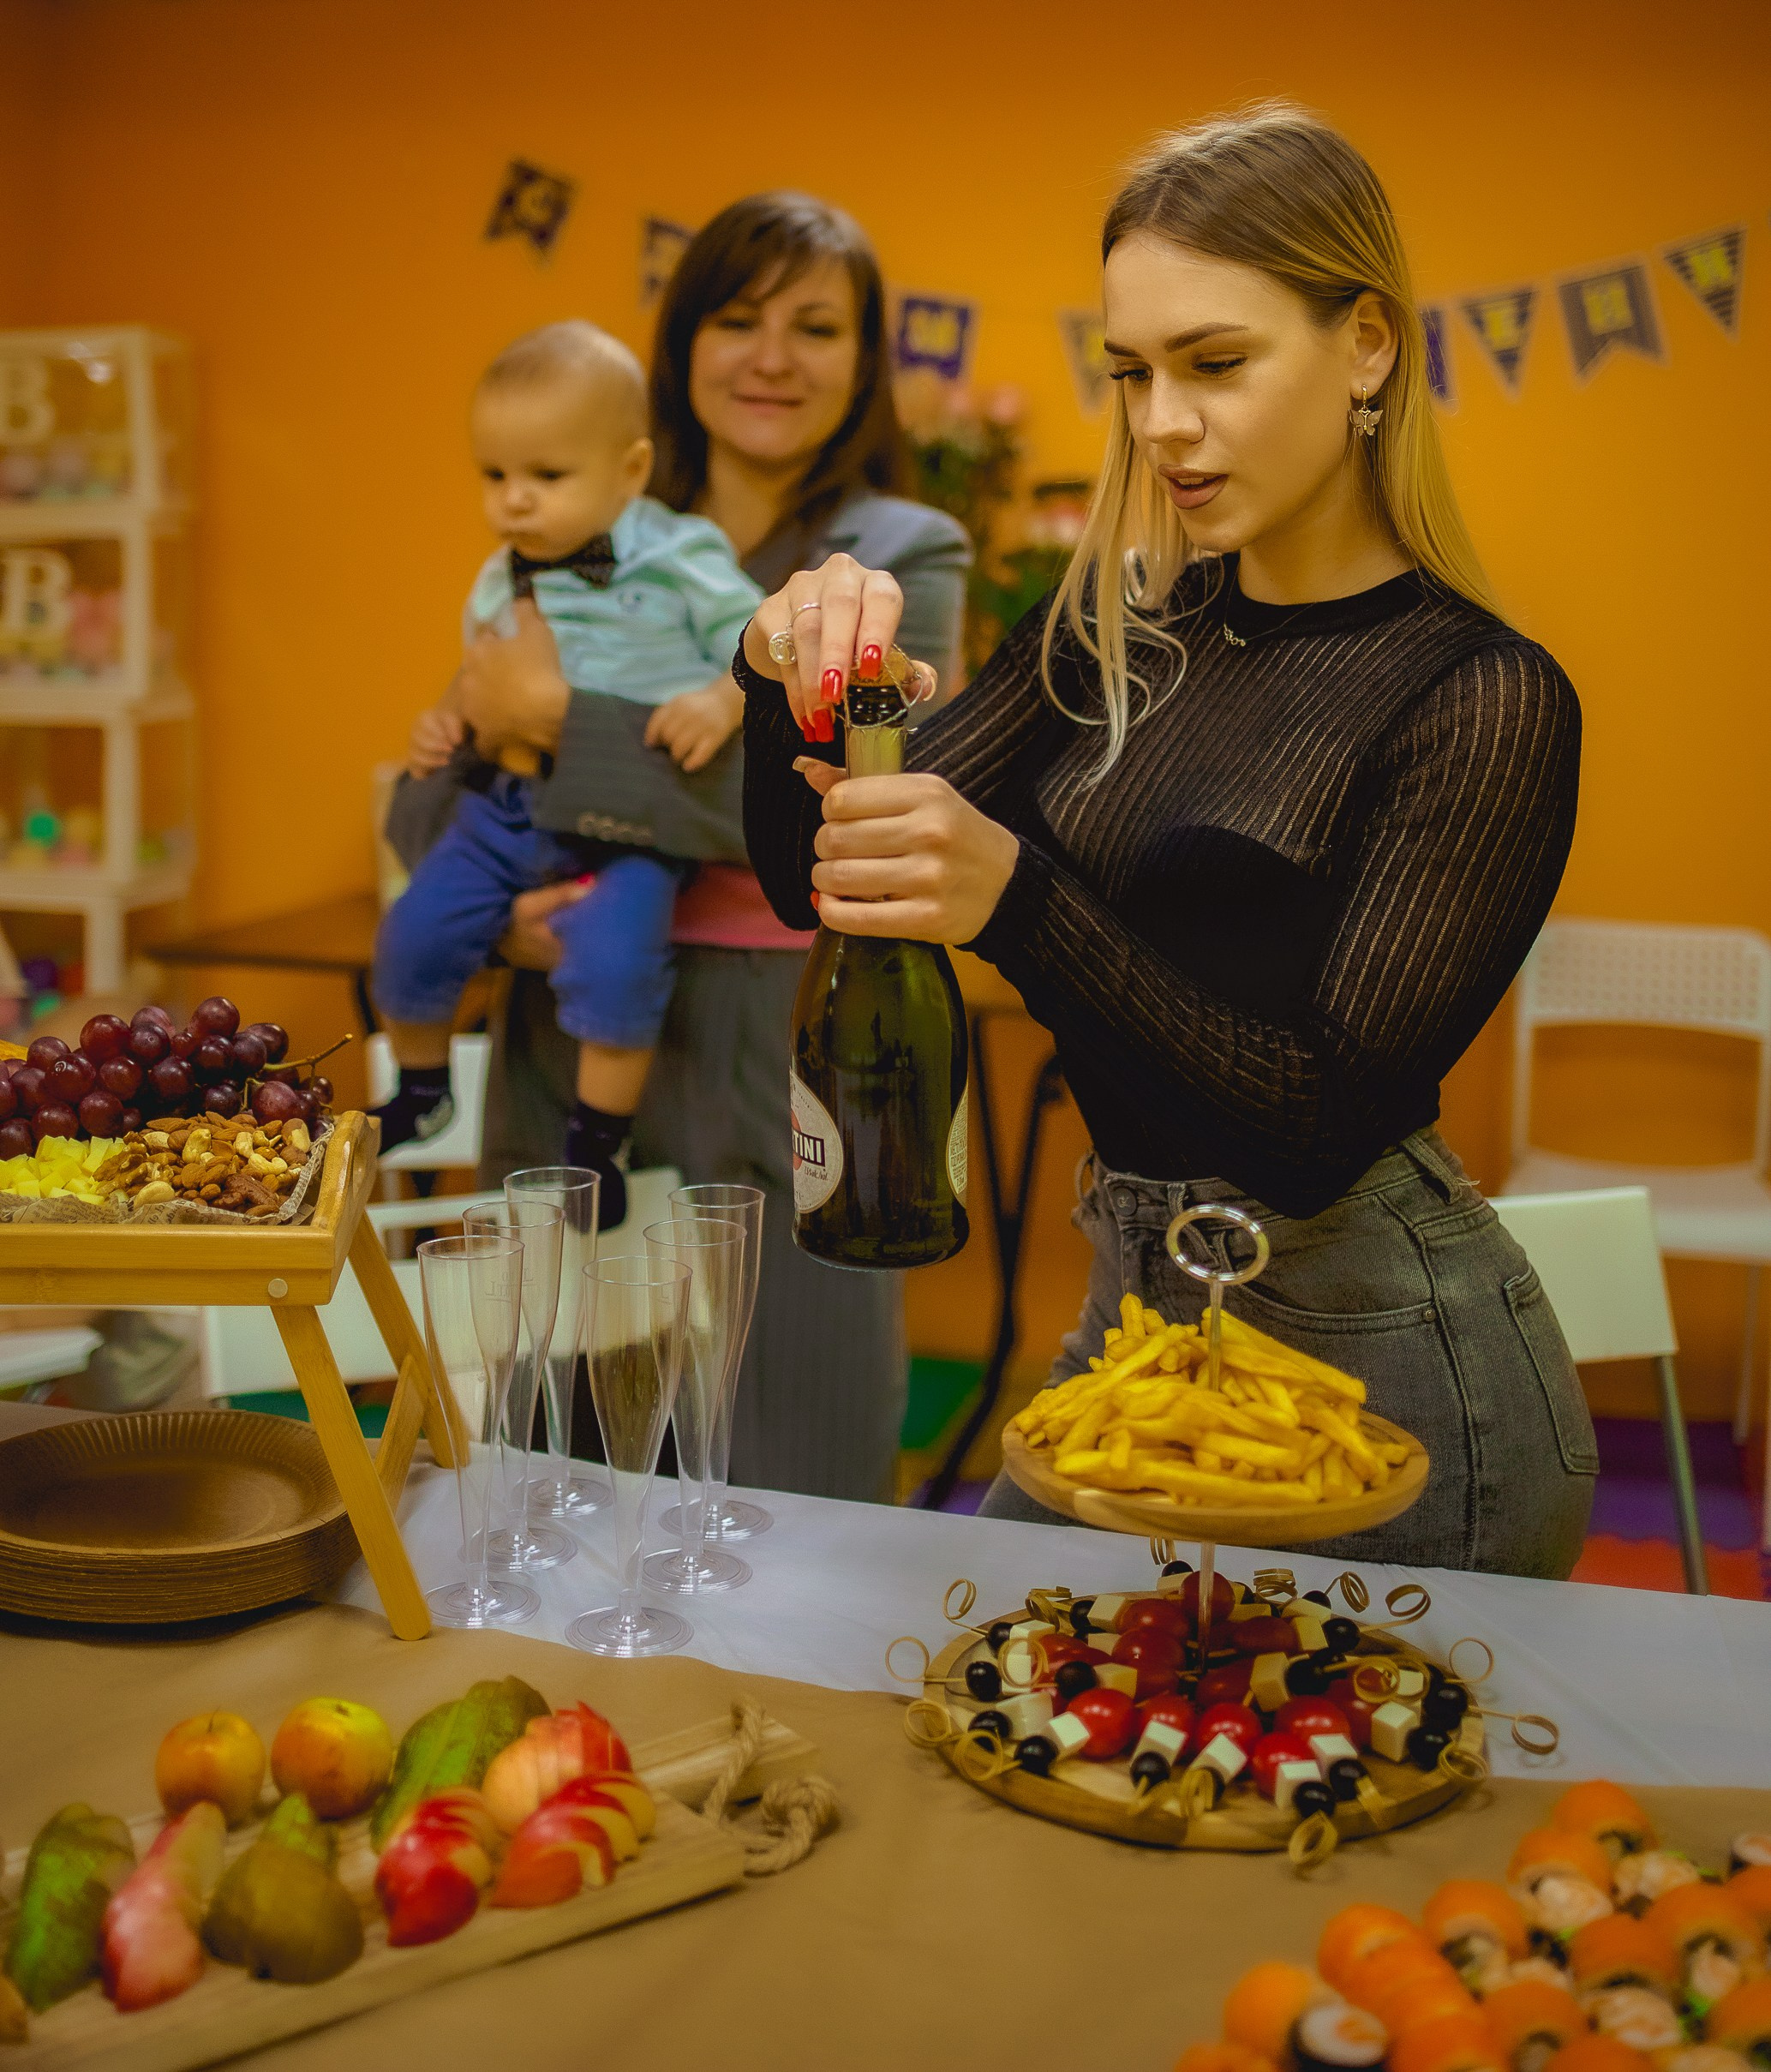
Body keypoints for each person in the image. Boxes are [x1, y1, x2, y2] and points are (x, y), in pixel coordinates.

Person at [733, 106, 1595, 1576]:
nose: (1158, 426)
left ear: (1367, 347)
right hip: (1140, 1315)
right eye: (1130, 372)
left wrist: (1013, 901)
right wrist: (775, 679)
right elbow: (828, 879)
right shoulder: (1119, 634)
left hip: (1376, 1356)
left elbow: (1311, 1126)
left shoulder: (1480, 697)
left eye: (1215, 364)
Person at [386, 192, 971, 1501]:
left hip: (787, 1042)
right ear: (680, 344)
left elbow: (852, 804)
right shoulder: (561, 525)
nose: (772, 355)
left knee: (794, 1467)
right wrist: (490, 913)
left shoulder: (889, 557)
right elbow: (428, 807)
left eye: (815, 326)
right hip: (566, 1035)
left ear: (863, 360)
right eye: (737, 318)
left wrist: (554, 722)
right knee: (546, 1452)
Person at [374, 321, 760, 1225]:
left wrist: (719, 699)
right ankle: (422, 1084)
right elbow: (479, 677)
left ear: (629, 471)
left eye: (546, 477)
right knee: (412, 933)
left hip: (631, 825)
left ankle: (598, 1143)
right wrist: (446, 723)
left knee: (620, 965)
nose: (514, 501)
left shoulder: (680, 555)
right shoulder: (497, 574)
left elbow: (762, 638)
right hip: (509, 807)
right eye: (495, 475)